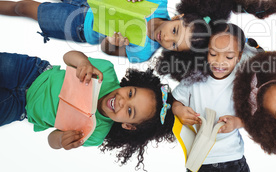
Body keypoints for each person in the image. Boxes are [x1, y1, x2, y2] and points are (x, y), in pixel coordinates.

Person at [0, 0, 211, 63]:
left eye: (173, 44)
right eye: (174, 31)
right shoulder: (159, 3)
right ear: (177, 17)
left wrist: (113, 42)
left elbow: (106, 49)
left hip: (80, 25)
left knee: (24, 8)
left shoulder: (144, 52)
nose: (165, 38)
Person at [0, 50, 175, 170]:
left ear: (128, 126)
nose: (122, 101)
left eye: (130, 111)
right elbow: (68, 57)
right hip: (31, 71)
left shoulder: (96, 134)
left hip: (20, 108)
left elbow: (51, 139)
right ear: (130, 84)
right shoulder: (104, 71)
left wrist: (61, 141)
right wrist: (83, 62)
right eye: (130, 93)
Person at [158, 23, 257, 171]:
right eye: (213, 54)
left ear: (239, 56)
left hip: (233, 158)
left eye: (229, 56)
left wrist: (237, 123)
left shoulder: (242, 80)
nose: (219, 62)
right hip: (199, 160)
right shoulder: (195, 75)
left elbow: (255, 116)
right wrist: (179, 110)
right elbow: (176, 100)